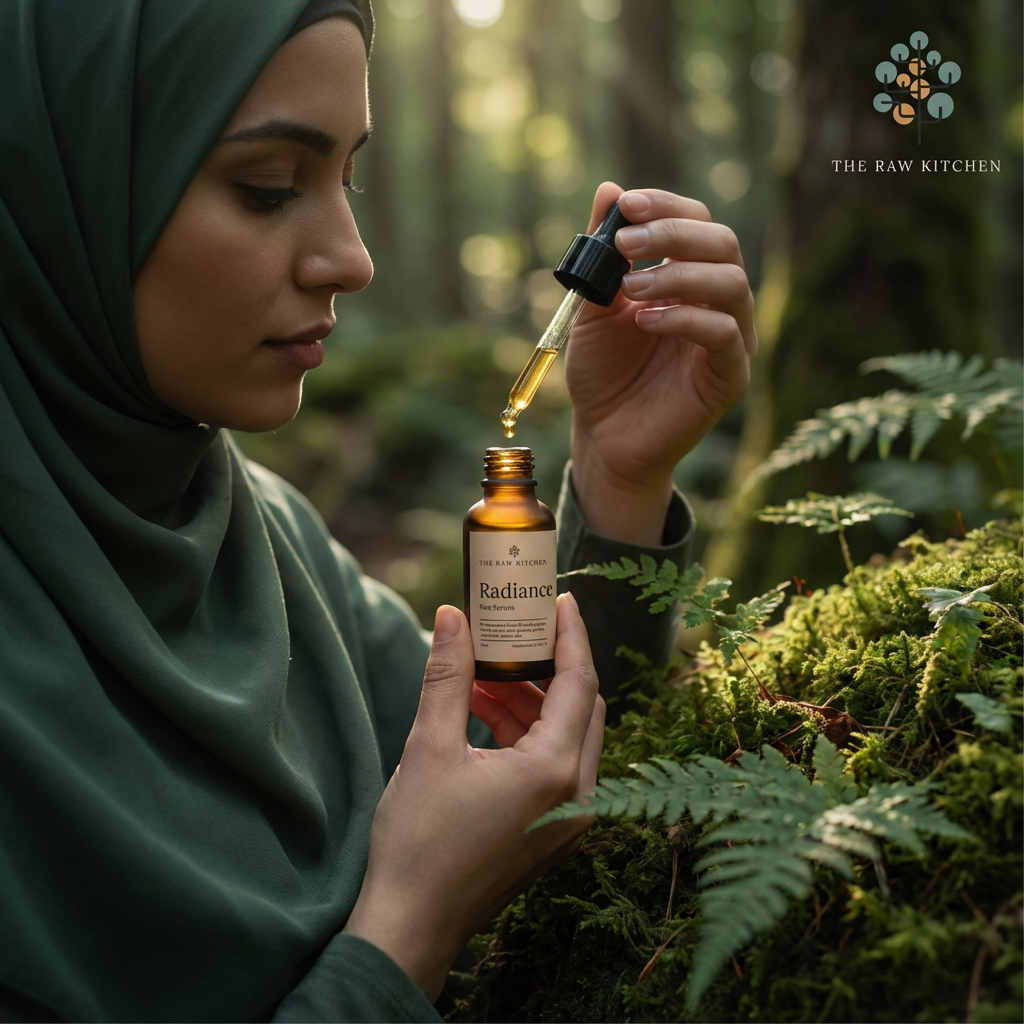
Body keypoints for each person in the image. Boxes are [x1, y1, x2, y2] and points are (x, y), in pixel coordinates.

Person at [0, 1, 756, 1020]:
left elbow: (518, 773)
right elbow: (439, 875)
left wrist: (619, 477)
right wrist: (408, 933)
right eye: (268, 188)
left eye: (346, 177)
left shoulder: (263, 540)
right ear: (62, 183)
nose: (352, 258)